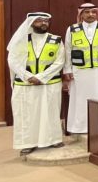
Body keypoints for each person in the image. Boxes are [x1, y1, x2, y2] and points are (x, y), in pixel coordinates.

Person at [7, 12, 65, 156]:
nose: (44, 23)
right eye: (39, 21)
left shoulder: (56, 40)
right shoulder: (21, 40)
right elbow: (13, 60)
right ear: (31, 22)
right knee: (27, 115)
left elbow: (60, 61)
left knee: (50, 112)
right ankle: (27, 143)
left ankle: (53, 139)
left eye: (46, 21)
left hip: (50, 83)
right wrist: (28, 76)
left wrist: (41, 77)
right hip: (25, 85)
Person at [63, 3, 98, 134]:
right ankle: (79, 127)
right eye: (87, 12)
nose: (90, 14)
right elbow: (67, 50)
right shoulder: (72, 29)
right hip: (79, 71)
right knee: (80, 99)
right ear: (81, 14)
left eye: (93, 12)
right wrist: (67, 70)